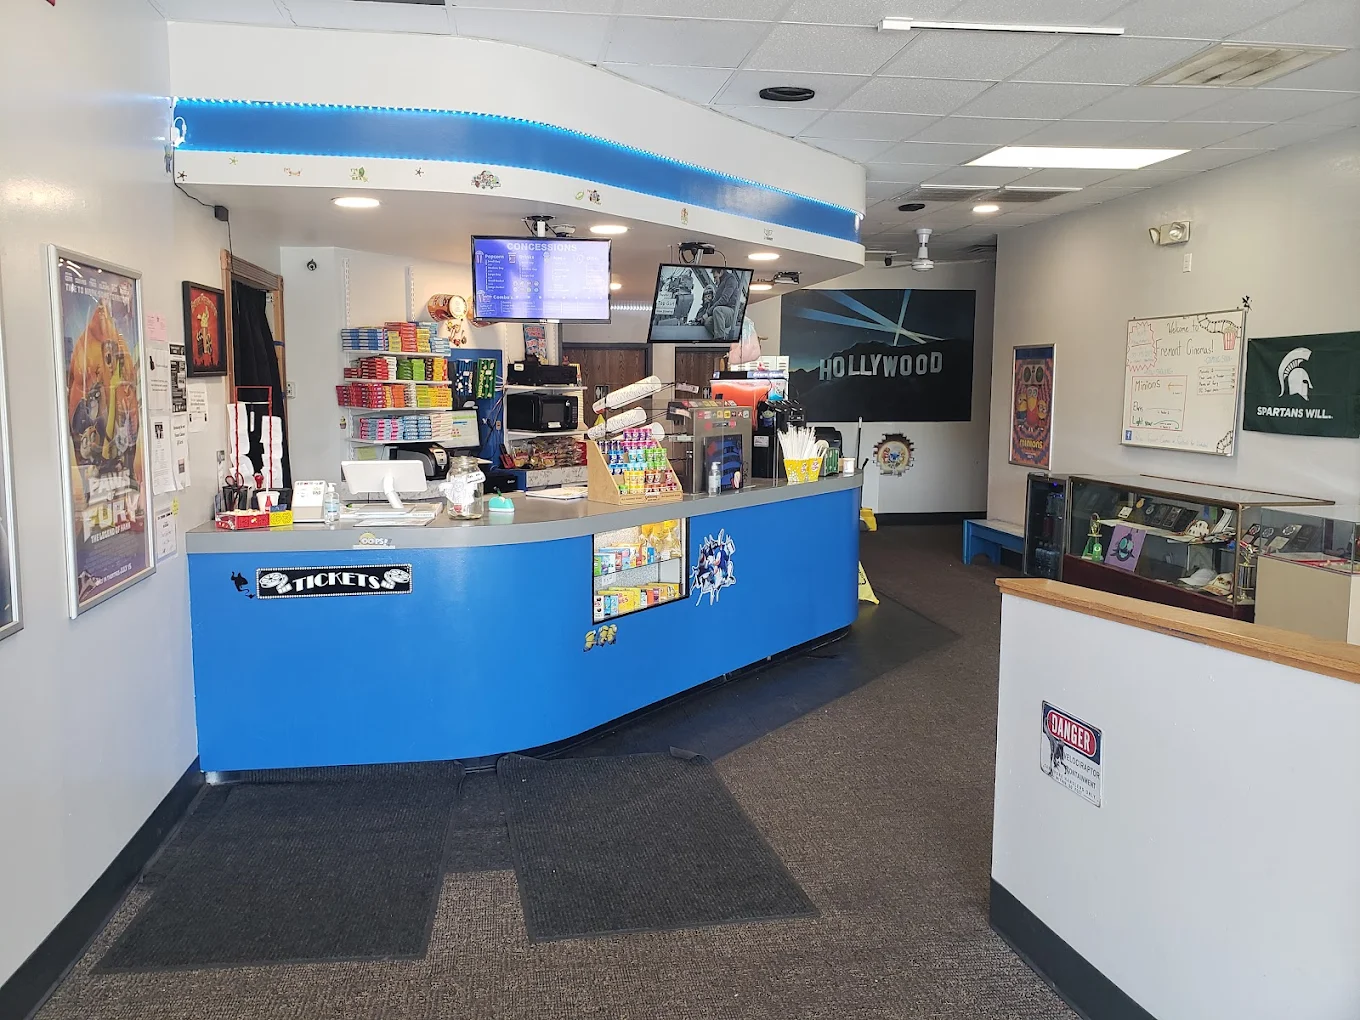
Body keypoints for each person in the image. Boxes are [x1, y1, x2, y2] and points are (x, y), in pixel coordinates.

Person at [701, 268, 743, 341]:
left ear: (721, 272)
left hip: (731, 313)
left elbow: (724, 299)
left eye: (715, 277)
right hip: (721, 314)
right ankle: (723, 336)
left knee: (718, 310)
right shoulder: (720, 285)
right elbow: (715, 302)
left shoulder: (731, 280)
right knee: (708, 322)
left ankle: (720, 339)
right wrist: (703, 316)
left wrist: (707, 313)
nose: (714, 280)